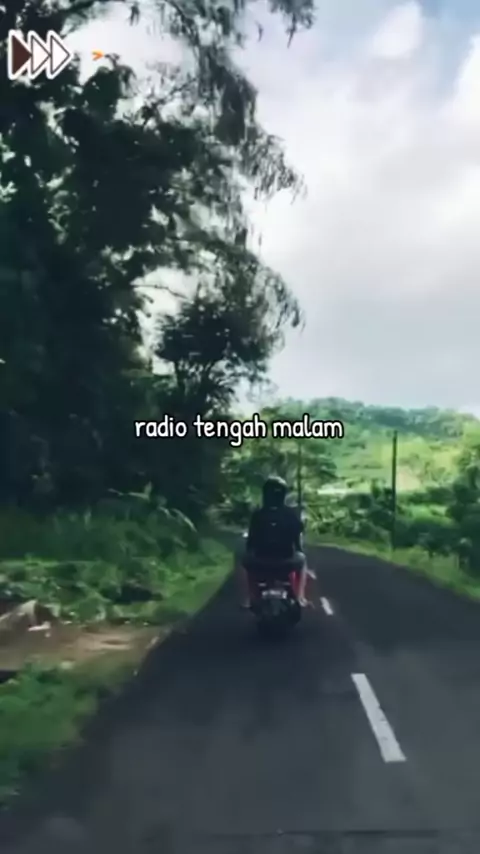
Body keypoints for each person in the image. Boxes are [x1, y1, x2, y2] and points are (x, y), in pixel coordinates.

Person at [240, 475, 308, 608]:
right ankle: (300, 597)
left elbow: (251, 542)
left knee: (246, 564)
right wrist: (298, 549)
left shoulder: (258, 515)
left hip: (260, 560)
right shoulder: (291, 514)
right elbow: (297, 540)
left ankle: (250, 597)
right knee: (303, 561)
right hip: (286, 560)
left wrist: (251, 552)